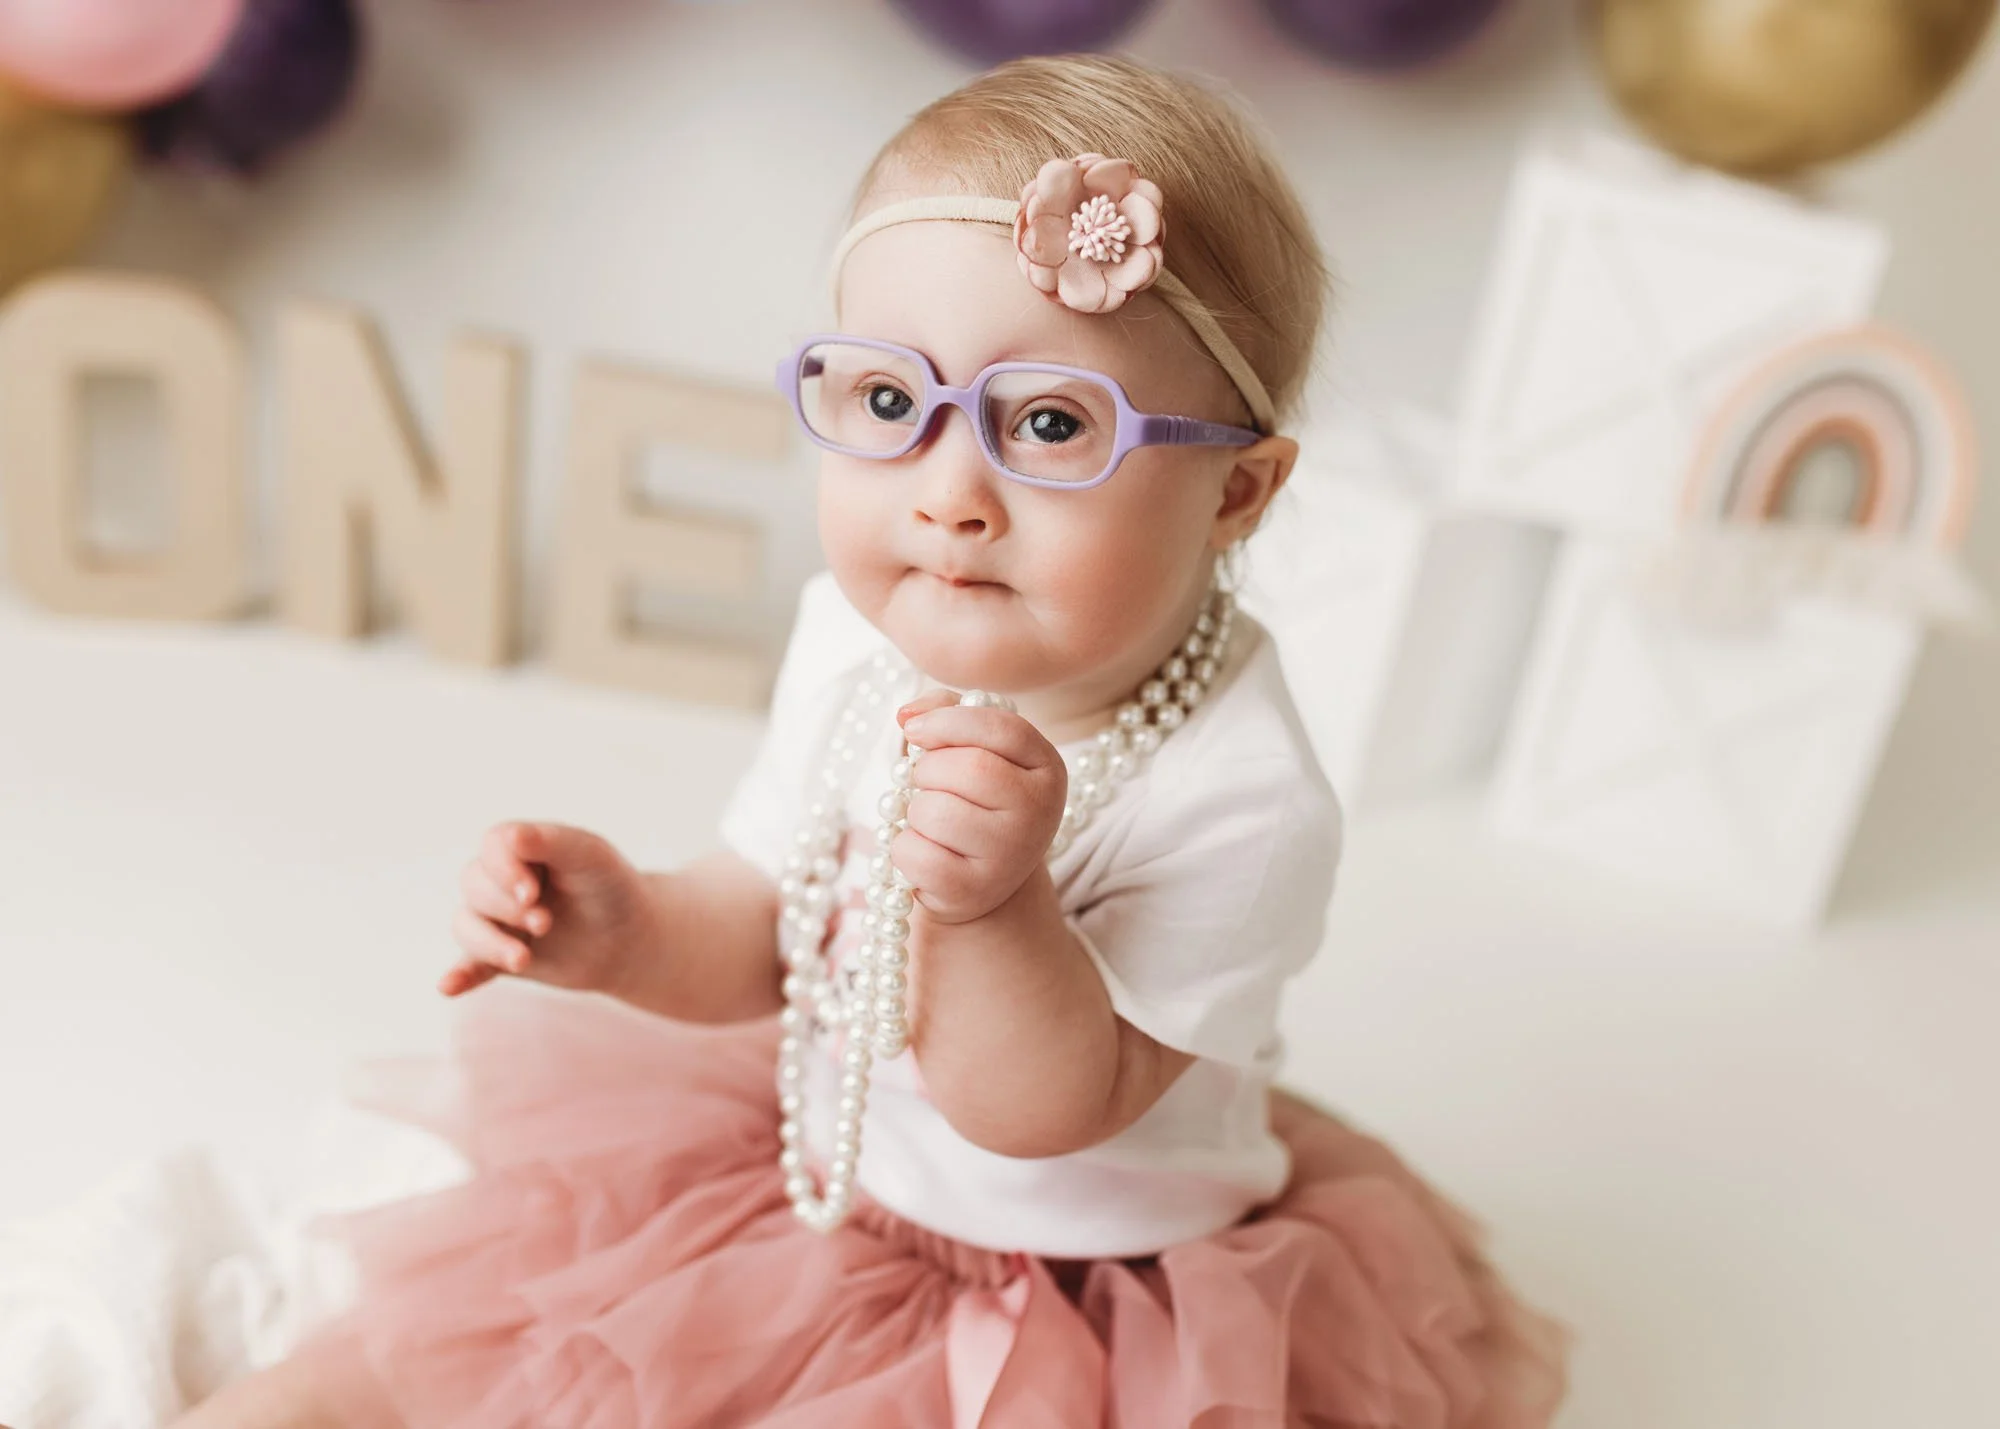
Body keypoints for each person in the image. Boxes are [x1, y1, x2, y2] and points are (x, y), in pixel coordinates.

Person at [176, 52, 1568, 1429]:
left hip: (1074, 1301)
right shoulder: (853, 647)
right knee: (427, 1365)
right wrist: (628, 931)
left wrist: (997, 903)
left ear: (1236, 495)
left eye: (1049, 425)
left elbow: (1038, 1110)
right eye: (893, 404)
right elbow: (769, 935)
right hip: (805, 1169)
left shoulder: (1245, 798)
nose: (951, 494)